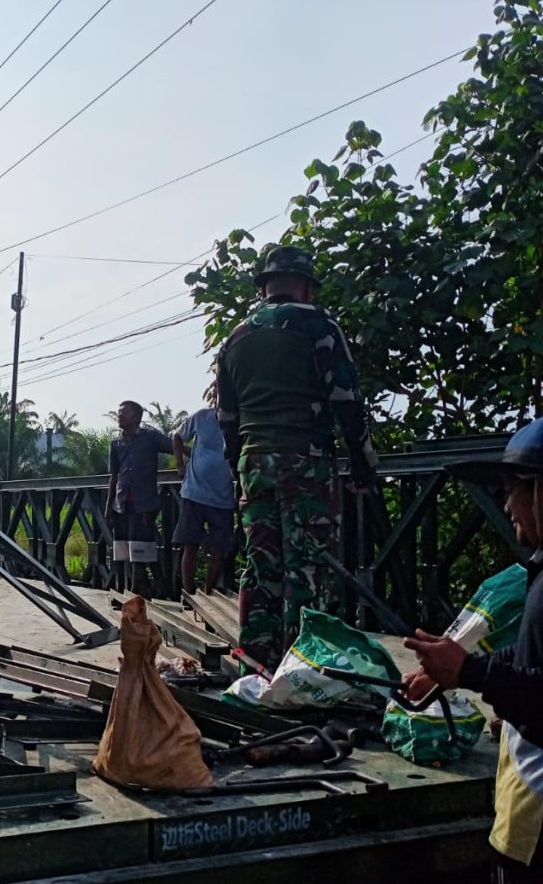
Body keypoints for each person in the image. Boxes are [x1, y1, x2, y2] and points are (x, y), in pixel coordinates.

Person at [402, 419, 543, 884]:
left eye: (513, 489)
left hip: (537, 830)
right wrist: (451, 670)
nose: (507, 506)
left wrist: (471, 673)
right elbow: (529, 656)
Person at [216, 245, 377, 673]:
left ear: (263, 288)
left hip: (253, 462)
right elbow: (346, 399)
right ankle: (302, 668)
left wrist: (239, 466)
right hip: (306, 459)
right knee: (307, 566)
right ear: (305, 286)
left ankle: (256, 665)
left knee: (260, 564)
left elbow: (226, 418)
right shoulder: (318, 324)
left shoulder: (234, 339)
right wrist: (362, 463)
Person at [105, 400, 173, 599]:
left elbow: (174, 446)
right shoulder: (115, 443)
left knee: (140, 551)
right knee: (122, 551)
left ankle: (138, 594)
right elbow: (114, 476)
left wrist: (189, 459)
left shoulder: (150, 438)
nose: (120, 416)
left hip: (143, 504)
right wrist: (109, 506)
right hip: (121, 503)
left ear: (137, 417)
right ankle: (131, 593)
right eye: (119, 413)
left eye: (125, 413)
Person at [173, 395, 235, 595]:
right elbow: (177, 436)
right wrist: (180, 464)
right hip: (194, 492)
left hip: (223, 496)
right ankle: (189, 594)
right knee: (190, 545)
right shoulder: (201, 417)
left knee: (218, 549)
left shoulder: (240, 420)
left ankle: (208, 592)